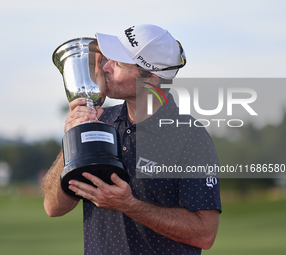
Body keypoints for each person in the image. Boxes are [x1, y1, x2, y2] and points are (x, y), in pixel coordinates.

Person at [42, 24, 222, 255]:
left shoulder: (190, 137)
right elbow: (53, 207)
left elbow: (204, 234)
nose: (105, 67)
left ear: (150, 78)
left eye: (117, 63)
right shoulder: (100, 122)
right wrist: (71, 138)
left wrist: (129, 206)